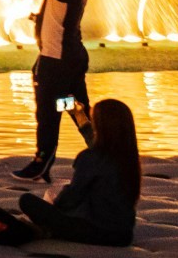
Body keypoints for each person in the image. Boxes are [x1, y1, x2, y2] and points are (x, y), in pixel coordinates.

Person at [1, 0, 88, 181]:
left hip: (56, 64)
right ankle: (103, 152)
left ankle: (41, 162)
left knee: (49, 113)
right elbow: (62, 21)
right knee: (73, 106)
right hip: (67, 61)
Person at [20, 97, 139, 246]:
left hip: (96, 232)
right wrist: (79, 116)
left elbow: (72, 197)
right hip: (123, 235)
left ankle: (46, 230)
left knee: (27, 200)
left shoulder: (90, 157)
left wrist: (53, 209)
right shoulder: (127, 156)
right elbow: (97, 145)